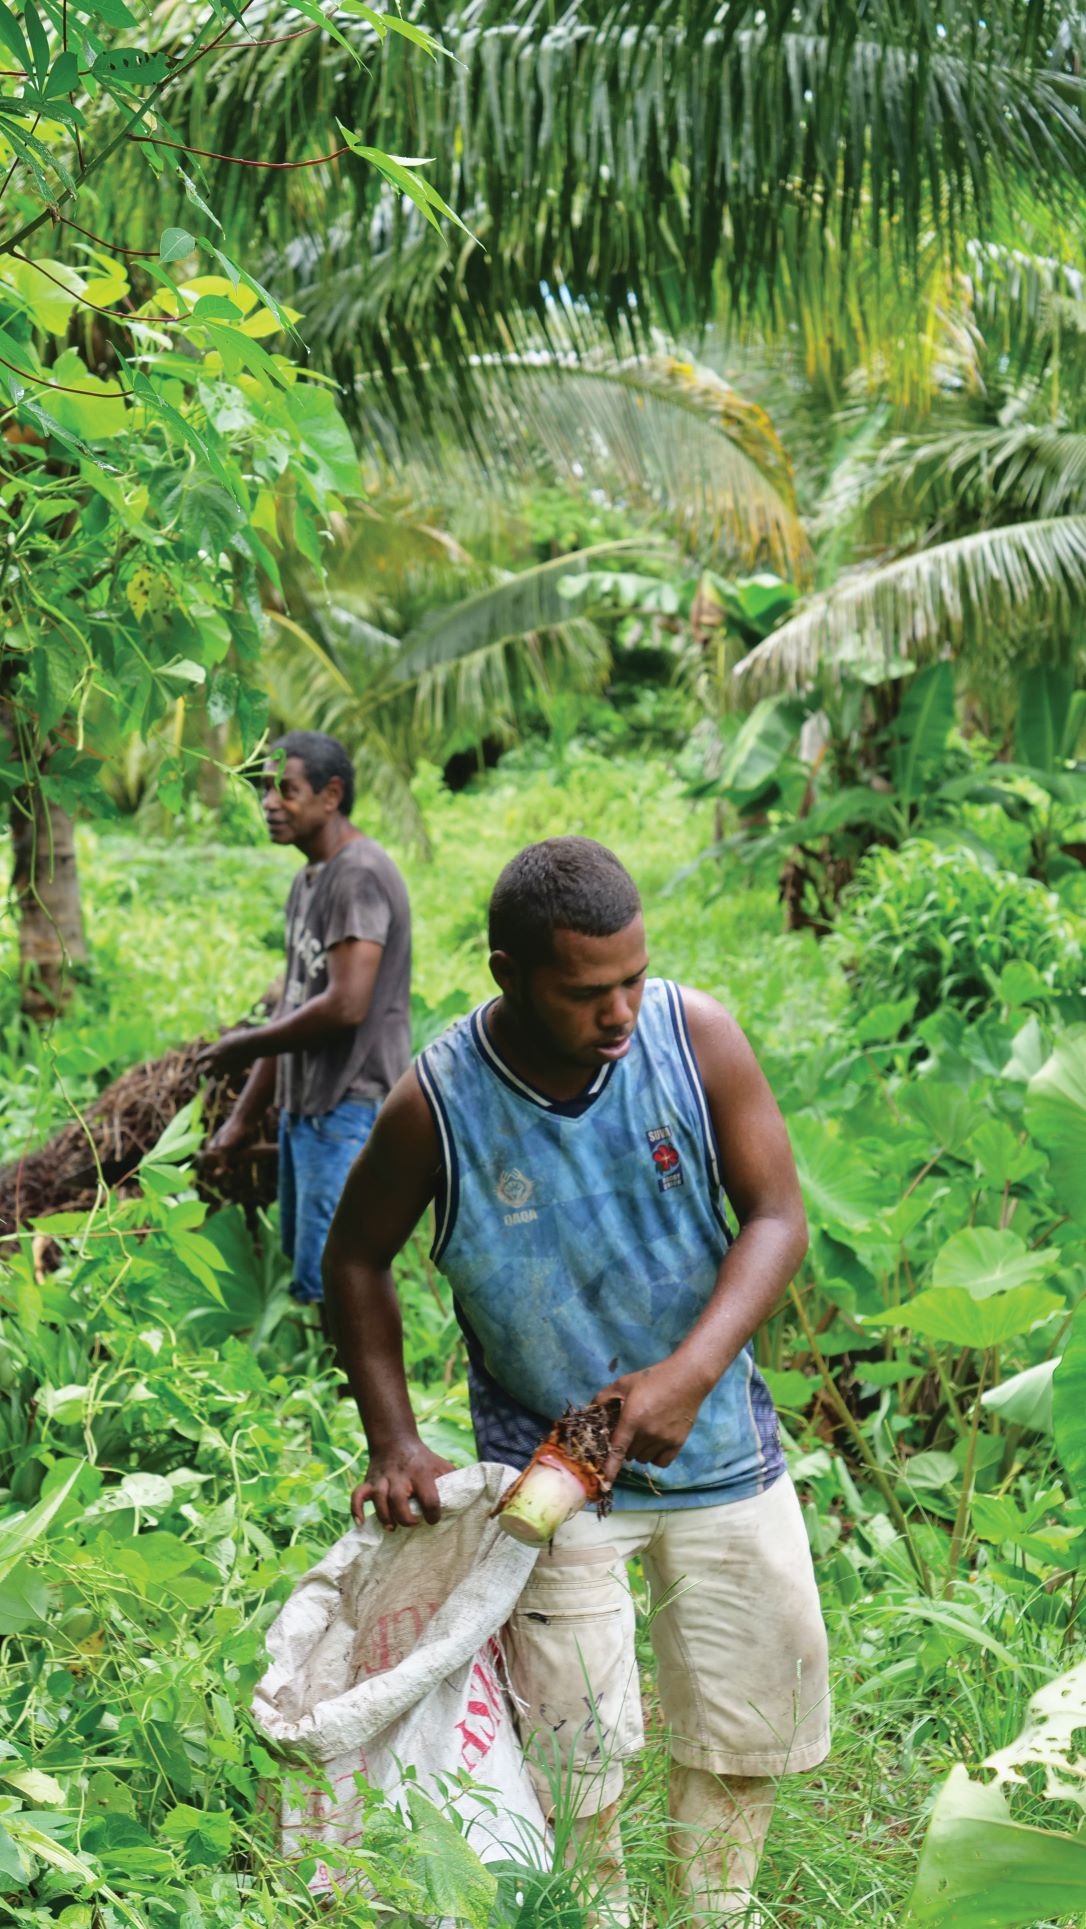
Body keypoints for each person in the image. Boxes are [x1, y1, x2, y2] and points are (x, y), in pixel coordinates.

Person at [322, 835, 829, 1925]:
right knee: (575, 1749)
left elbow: (779, 1217)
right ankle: (596, 1915)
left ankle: (716, 1910)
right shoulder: (440, 1104)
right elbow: (352, 1259)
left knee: (747, 1724)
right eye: (587, 991)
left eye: (634, 979)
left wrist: (690, 1375)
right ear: (508, 971)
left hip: (724, 1455)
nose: (620, 1013)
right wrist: (394, 1440)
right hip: (553, 1477)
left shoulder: (697, 1042)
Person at [200, 730, 411, 1313]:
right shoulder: (310, 877)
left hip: (349, 1103)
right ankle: (316, 1386)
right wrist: (244, 1118)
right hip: (308, 1109)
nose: (269, 802)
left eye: (285, 790)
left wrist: (241, 1046)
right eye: (265, 789)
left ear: (331, 794)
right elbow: (295, 1006)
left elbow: (346, 1004)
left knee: (337, 1280)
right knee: (311, 1267)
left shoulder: (358, 874)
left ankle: (346, 1397)